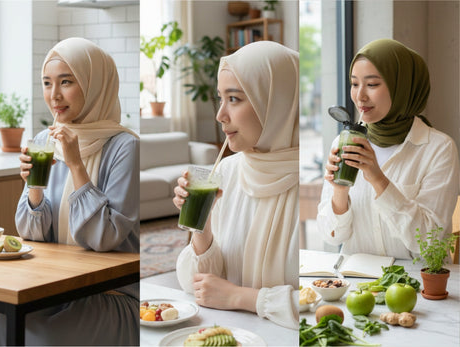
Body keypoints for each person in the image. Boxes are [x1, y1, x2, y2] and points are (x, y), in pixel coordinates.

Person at [0, 37, 140, 346]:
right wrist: (34, 189)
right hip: (53, 287)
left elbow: (105, 238)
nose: (54, 95)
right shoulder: (45, 139)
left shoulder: (126, 146)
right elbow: (30, 235)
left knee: (35, 335)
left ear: (94, 85)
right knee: (8, 319)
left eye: (66, 82)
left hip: (110, 294)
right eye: (47, 83)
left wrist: (76, 165)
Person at [173, 41, 300, 330]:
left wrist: (242, 298)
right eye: (221, 99)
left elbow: (322, 299)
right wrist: (202, 227)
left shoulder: (311, 183)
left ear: (275, 102)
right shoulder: (225, 172)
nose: (220, 115)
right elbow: (195, 286)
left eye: (234, 99)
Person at [317, 38, 460, 259]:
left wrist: (378, 179)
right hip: (358, 283)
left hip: (416, 287)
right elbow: (332, 236)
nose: (360, 96)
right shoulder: (344, 143)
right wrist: (339, 190)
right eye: (355, 84)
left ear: (402, 87)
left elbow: (430, 243)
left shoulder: (438, 149)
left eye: (372, 84)